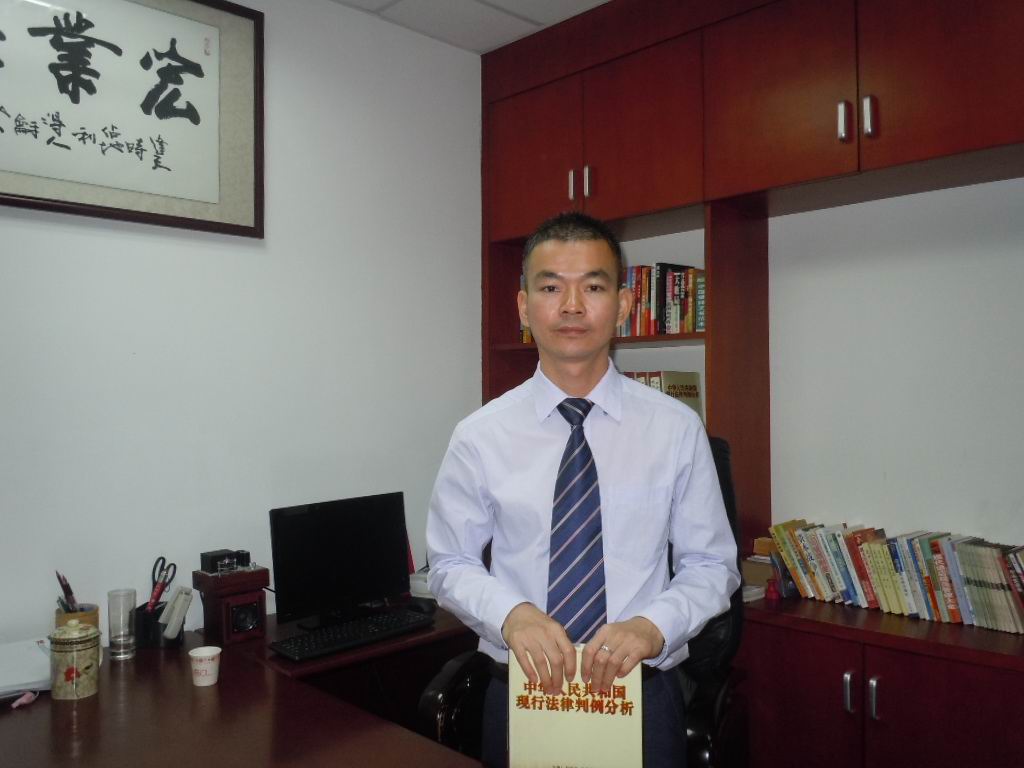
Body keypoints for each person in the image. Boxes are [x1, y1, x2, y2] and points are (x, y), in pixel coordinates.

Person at [426, 212, 740, 768]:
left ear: (622, 305)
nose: (572, 306)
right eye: (550, 287)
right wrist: (511, 615)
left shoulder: (675, 429)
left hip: (640, 692)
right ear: (524, 307)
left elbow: (713, 564)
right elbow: (449, 563)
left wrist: (653, 627)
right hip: (522, 689)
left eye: (593, 287)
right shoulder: (480, 436)